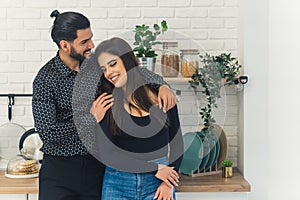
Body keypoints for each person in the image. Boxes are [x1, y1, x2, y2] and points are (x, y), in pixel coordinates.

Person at [32, 10, 177, 200]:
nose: (91, 45)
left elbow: (131, 71)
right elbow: (48, 133)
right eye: (84, 42)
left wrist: (162, 85)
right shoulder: (45, 80)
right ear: (65, 45)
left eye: (90, 38)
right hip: (61, 173)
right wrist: (90, 119)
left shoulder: (95, 66)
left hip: (97, 170)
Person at [90, 37, 184, 200]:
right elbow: (108, 155)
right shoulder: (106, 102)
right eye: (104, 69)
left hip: (158, 183)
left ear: (127, 60)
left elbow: (177, 145)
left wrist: (169, 183)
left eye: (113, 64)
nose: (109, 73)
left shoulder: (162, 96)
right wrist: (156, 168)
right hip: (117, 183)